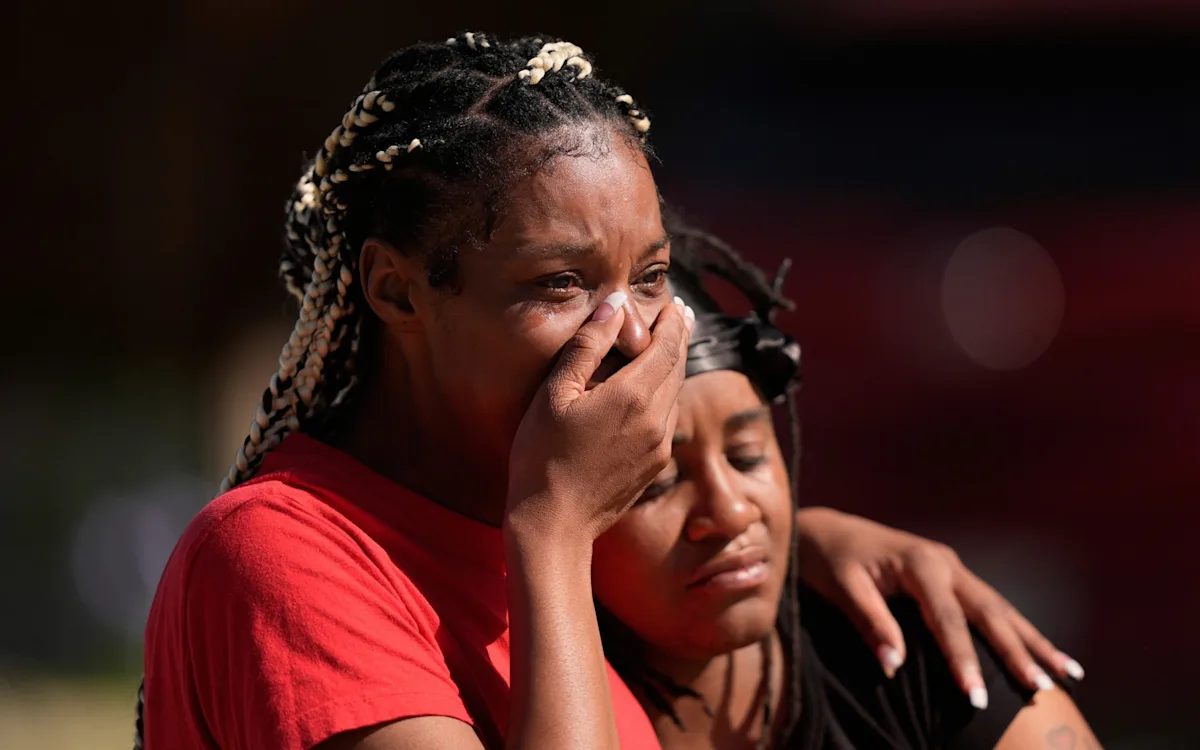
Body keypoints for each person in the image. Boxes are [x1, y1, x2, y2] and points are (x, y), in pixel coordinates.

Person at [138, 31, 1083, 750]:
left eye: (651, 274)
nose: (630, 333)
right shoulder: (282, 557)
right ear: (397, 290)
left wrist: (799, 543)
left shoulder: (573, 532)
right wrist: (554, 532)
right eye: (559, 285)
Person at [590, 209, 1103, 749]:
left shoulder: (911, 654)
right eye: (658, 483)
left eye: (746, 456)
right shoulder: (517, 700)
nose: (732, 512)